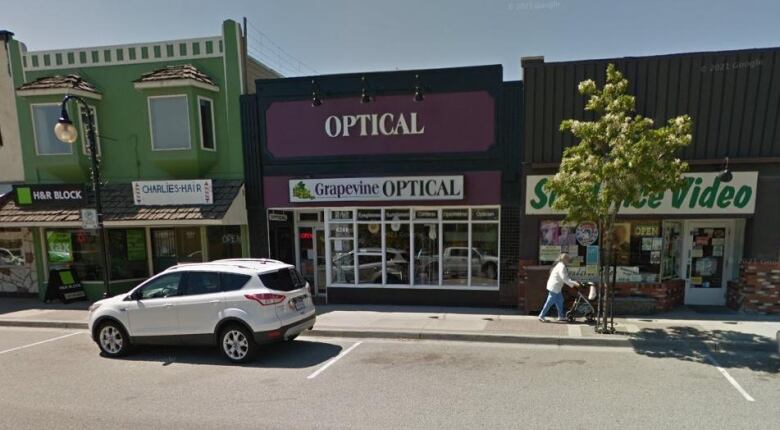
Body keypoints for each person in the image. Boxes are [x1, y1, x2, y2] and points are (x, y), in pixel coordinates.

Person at [539, 253, 580, 322]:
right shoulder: (562, 267)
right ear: (564, 259)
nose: (568, 261)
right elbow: (564, 278)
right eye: (568, 260)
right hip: (554, 287)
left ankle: (560, 316)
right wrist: (574, 283)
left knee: (560, 301)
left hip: (555, 287)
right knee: (549, 302)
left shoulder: (560, 265)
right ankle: (541, 316)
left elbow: (564, 278)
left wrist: (573, 283)